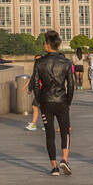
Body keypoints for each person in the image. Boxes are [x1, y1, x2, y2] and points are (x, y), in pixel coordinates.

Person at [33, 30, 75, 176]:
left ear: (48, 44)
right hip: (62, 101)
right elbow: (71, 85)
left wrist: (39, 101)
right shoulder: (66, 62)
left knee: (49, 134)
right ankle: (64, 158)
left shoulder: (39, 62)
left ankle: (54, 167)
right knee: (65, 131)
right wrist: (68, 101)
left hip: (46, 102)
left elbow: (35, 84)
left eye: (44, 42)